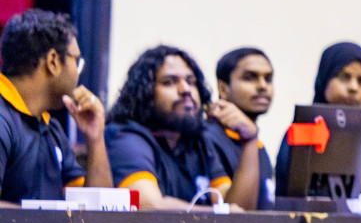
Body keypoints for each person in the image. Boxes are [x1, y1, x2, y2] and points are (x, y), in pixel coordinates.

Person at [105, 45, 262, 210]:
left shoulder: (198, 141)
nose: (186, 89)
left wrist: (250, 140)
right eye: (169, 82)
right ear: (145, 92)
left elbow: (239, 210)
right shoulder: (125, 136)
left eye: (191, 81)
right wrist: (221, 213)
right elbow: (149, 205)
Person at [277, 42, 361, 208]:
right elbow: (288, 197)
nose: (353, 87)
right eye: (344, 77)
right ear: (325, 78)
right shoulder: (304, 129)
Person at [0, 10, 110, 202]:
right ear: (53, 61)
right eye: (76, 61)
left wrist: (95, 138)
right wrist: (50, 221)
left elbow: (97, 214)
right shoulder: (3, 119)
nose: (77, 73)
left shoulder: (52, 129)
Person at [205, 48, 275, 210]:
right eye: (249, 78)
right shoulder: (208, 137)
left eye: (268, 79)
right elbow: (235, 214)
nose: (263, 86)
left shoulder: (259, 146)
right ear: (223, 89)